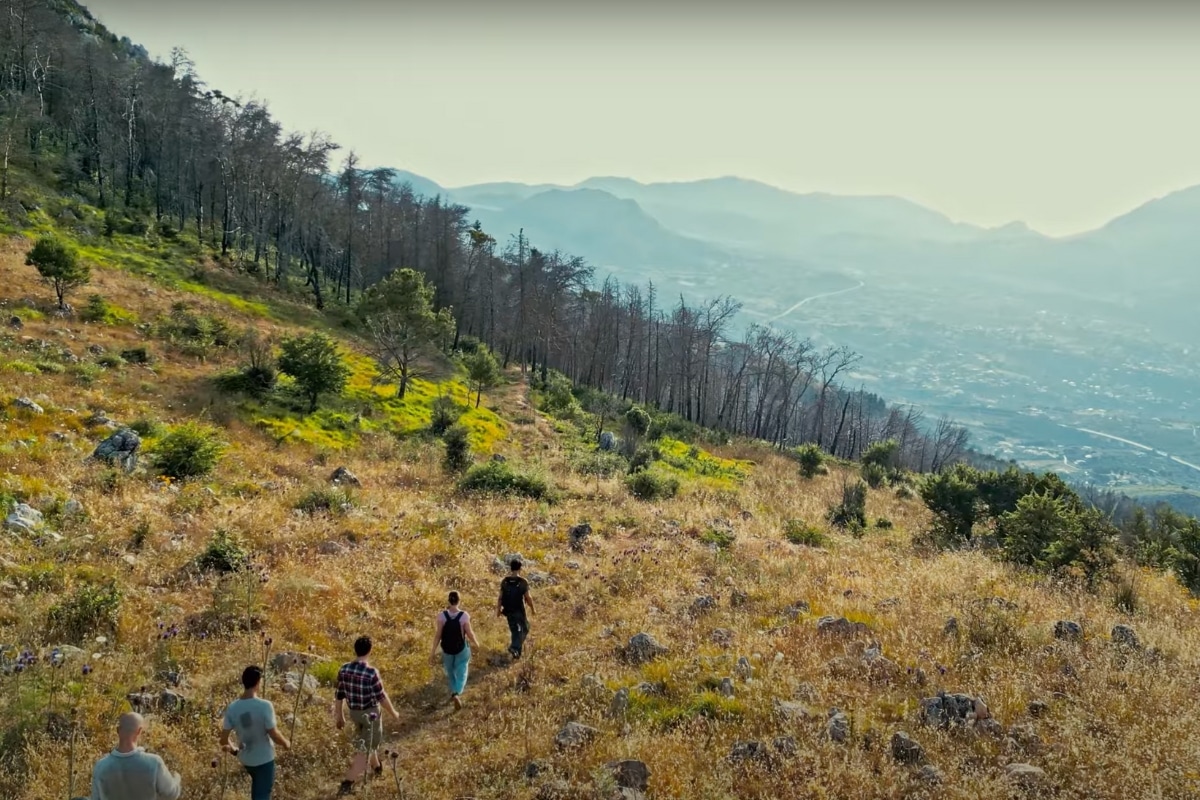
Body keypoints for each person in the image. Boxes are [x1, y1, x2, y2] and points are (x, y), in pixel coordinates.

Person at [334, 636, 400, 797]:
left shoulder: (344, 669)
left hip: (354, 713)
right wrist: (394, 713)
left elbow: (339, 694)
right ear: (370, 651)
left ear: (354, 649)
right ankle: (348, 782)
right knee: (365, 748)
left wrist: (339, 715)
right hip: (370, 714)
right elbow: (381, 697)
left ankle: (377, 768)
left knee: (366, 741)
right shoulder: (371, 673)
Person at [220, 665, 290, 800]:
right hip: (264, 759)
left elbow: (223, 740)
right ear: (258, 682)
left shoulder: (233, 708)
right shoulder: (265, 706)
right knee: (262, 795)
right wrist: (286, 743)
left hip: (246, 759)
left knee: (258, 792)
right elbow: (274, 734)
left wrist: (234, 750)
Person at [89, 712, 182, 800]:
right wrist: (177, 778)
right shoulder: (153, 763)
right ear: (139, 731)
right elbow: (171, 794)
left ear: (118, 730)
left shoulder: (101, 766)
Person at [429, 591, 480, 710]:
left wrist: (432, 651)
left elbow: (438, 635)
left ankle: (453, 691)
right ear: (459, 601)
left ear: (448, 601)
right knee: (462, 670)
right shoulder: (464, 616)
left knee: (450, 672)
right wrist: (476, 644)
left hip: (447, 649)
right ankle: (457, 693)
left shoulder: (442, 616)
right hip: (461, 649)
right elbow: (469, 633)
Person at [497, 559, 535, 659]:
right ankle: (514, 647)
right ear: (520, 568)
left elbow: (500, 597)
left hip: (508, 610)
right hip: (519, 610)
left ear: (511, 567)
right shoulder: (522, 582)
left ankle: (516, 653)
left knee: (515, 630)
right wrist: (533, 609)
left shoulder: (505, 581)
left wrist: (498, 610)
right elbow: (528, 598)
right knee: (525, 628)